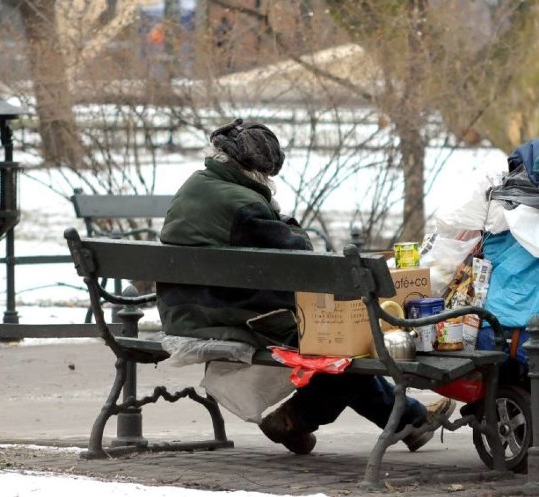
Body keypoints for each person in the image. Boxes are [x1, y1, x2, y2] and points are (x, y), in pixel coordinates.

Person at [157, 118, 455, 455]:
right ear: (255, 170)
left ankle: (406, 420)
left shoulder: (196, 185)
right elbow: (303, 257)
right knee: (351, 341)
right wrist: (287, 223)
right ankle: (298, 418)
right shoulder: (245, 204)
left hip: (186, 309)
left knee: (344, 338)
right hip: (229, 316)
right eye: (267, 174)